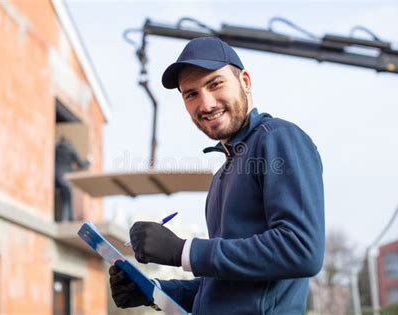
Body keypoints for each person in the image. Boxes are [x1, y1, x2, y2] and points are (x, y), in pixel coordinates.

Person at [109, 37, 325, 314]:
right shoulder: (223, 174)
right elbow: (221, 286)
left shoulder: (279, 139)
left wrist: (183, 250)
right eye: (191, 94)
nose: (206, 103)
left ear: (245, 82)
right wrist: (152, 289)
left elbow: (301, 250)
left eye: (215, 84)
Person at [54, 136, 90, 221]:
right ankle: (66, 219)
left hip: (55, 177)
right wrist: (88, 161)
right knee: (67, 198)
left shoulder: (56, 148)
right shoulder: (70, 149)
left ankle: (67, 218)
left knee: (63, 196)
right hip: (64, 178)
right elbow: (81, 164)